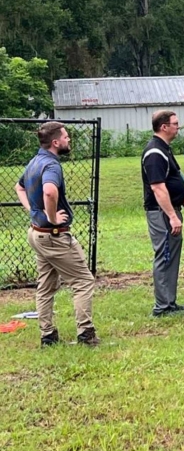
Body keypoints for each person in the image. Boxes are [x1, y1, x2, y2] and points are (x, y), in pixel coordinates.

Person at [14, 122, 100, 347]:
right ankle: (86, 335)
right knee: (83, 281)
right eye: (66, 136)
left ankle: (48, 336)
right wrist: (51, 217)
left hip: (36, 234)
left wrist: (34, 211)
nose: (69, 139)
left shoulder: (35, 161)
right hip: (53, 236)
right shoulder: (51, 165)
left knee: (45, 286)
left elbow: (19, 187)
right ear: (55, 142)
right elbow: (50, 191)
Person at [142, 110, 184, 317]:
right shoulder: (154, 152)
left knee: (171, 255)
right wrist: (171, 216)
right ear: (164, 127)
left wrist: (182, 198)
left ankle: (170, 302)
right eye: (175, 123)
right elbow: (158, 188)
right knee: (165, 255)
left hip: (170, 210)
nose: (177, 127)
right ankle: (162, 306)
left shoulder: (164, 149)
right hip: (161, 214)